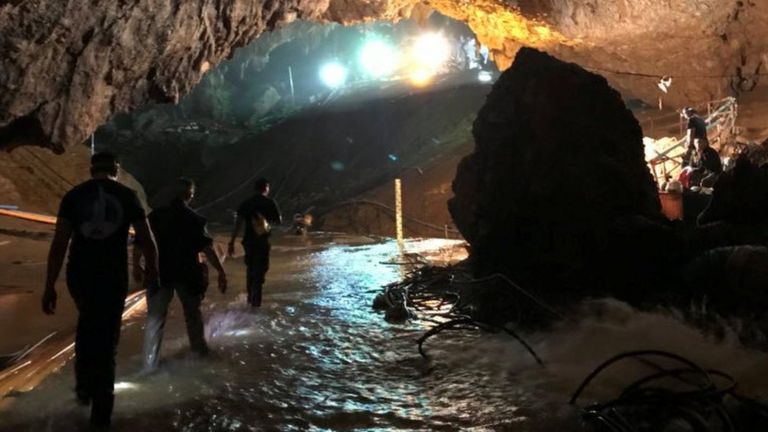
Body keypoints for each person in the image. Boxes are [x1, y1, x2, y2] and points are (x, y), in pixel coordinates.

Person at [43, 152, 158, 431]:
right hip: (111, 275)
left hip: (79, 275)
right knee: (108, 338)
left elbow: (59, 243)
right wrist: (153, 275)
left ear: (91, 169)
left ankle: (83, 389)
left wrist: (49, 286)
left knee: (87, 324)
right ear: (116, 169)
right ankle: (101, 412)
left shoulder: (73, 196)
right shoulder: (128, 196)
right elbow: (148, 241)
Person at [137, 178, 227, 371]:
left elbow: (141, 241)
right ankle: (199, 355)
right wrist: (220, 271)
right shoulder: (194, 219)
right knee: (193, 316)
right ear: (190, 196)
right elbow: (208, 249)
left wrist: (137, 266)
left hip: (160, 272)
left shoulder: (155, 216)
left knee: (155, 319)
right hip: (188, 273)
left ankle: (149, 364)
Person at [228, 178, 282, 307]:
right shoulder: (270, 202)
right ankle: (256, 302)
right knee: (261, 270)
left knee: (251, 268)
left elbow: (238, 224)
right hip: (262, 241)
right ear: (266, 188)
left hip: (248, 242)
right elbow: (279, 221)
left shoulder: (246, 203)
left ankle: (250, 298)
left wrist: (231, 242)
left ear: (255, 188)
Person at [680, 107, 722, 188]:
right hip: (703, 143)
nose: (684, 116)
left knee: (689, 168)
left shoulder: (691, 120)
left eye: (685, 114)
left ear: (688, 113)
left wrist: (689, 147)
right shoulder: (701, 120)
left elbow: (690, 134)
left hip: (698, 144)